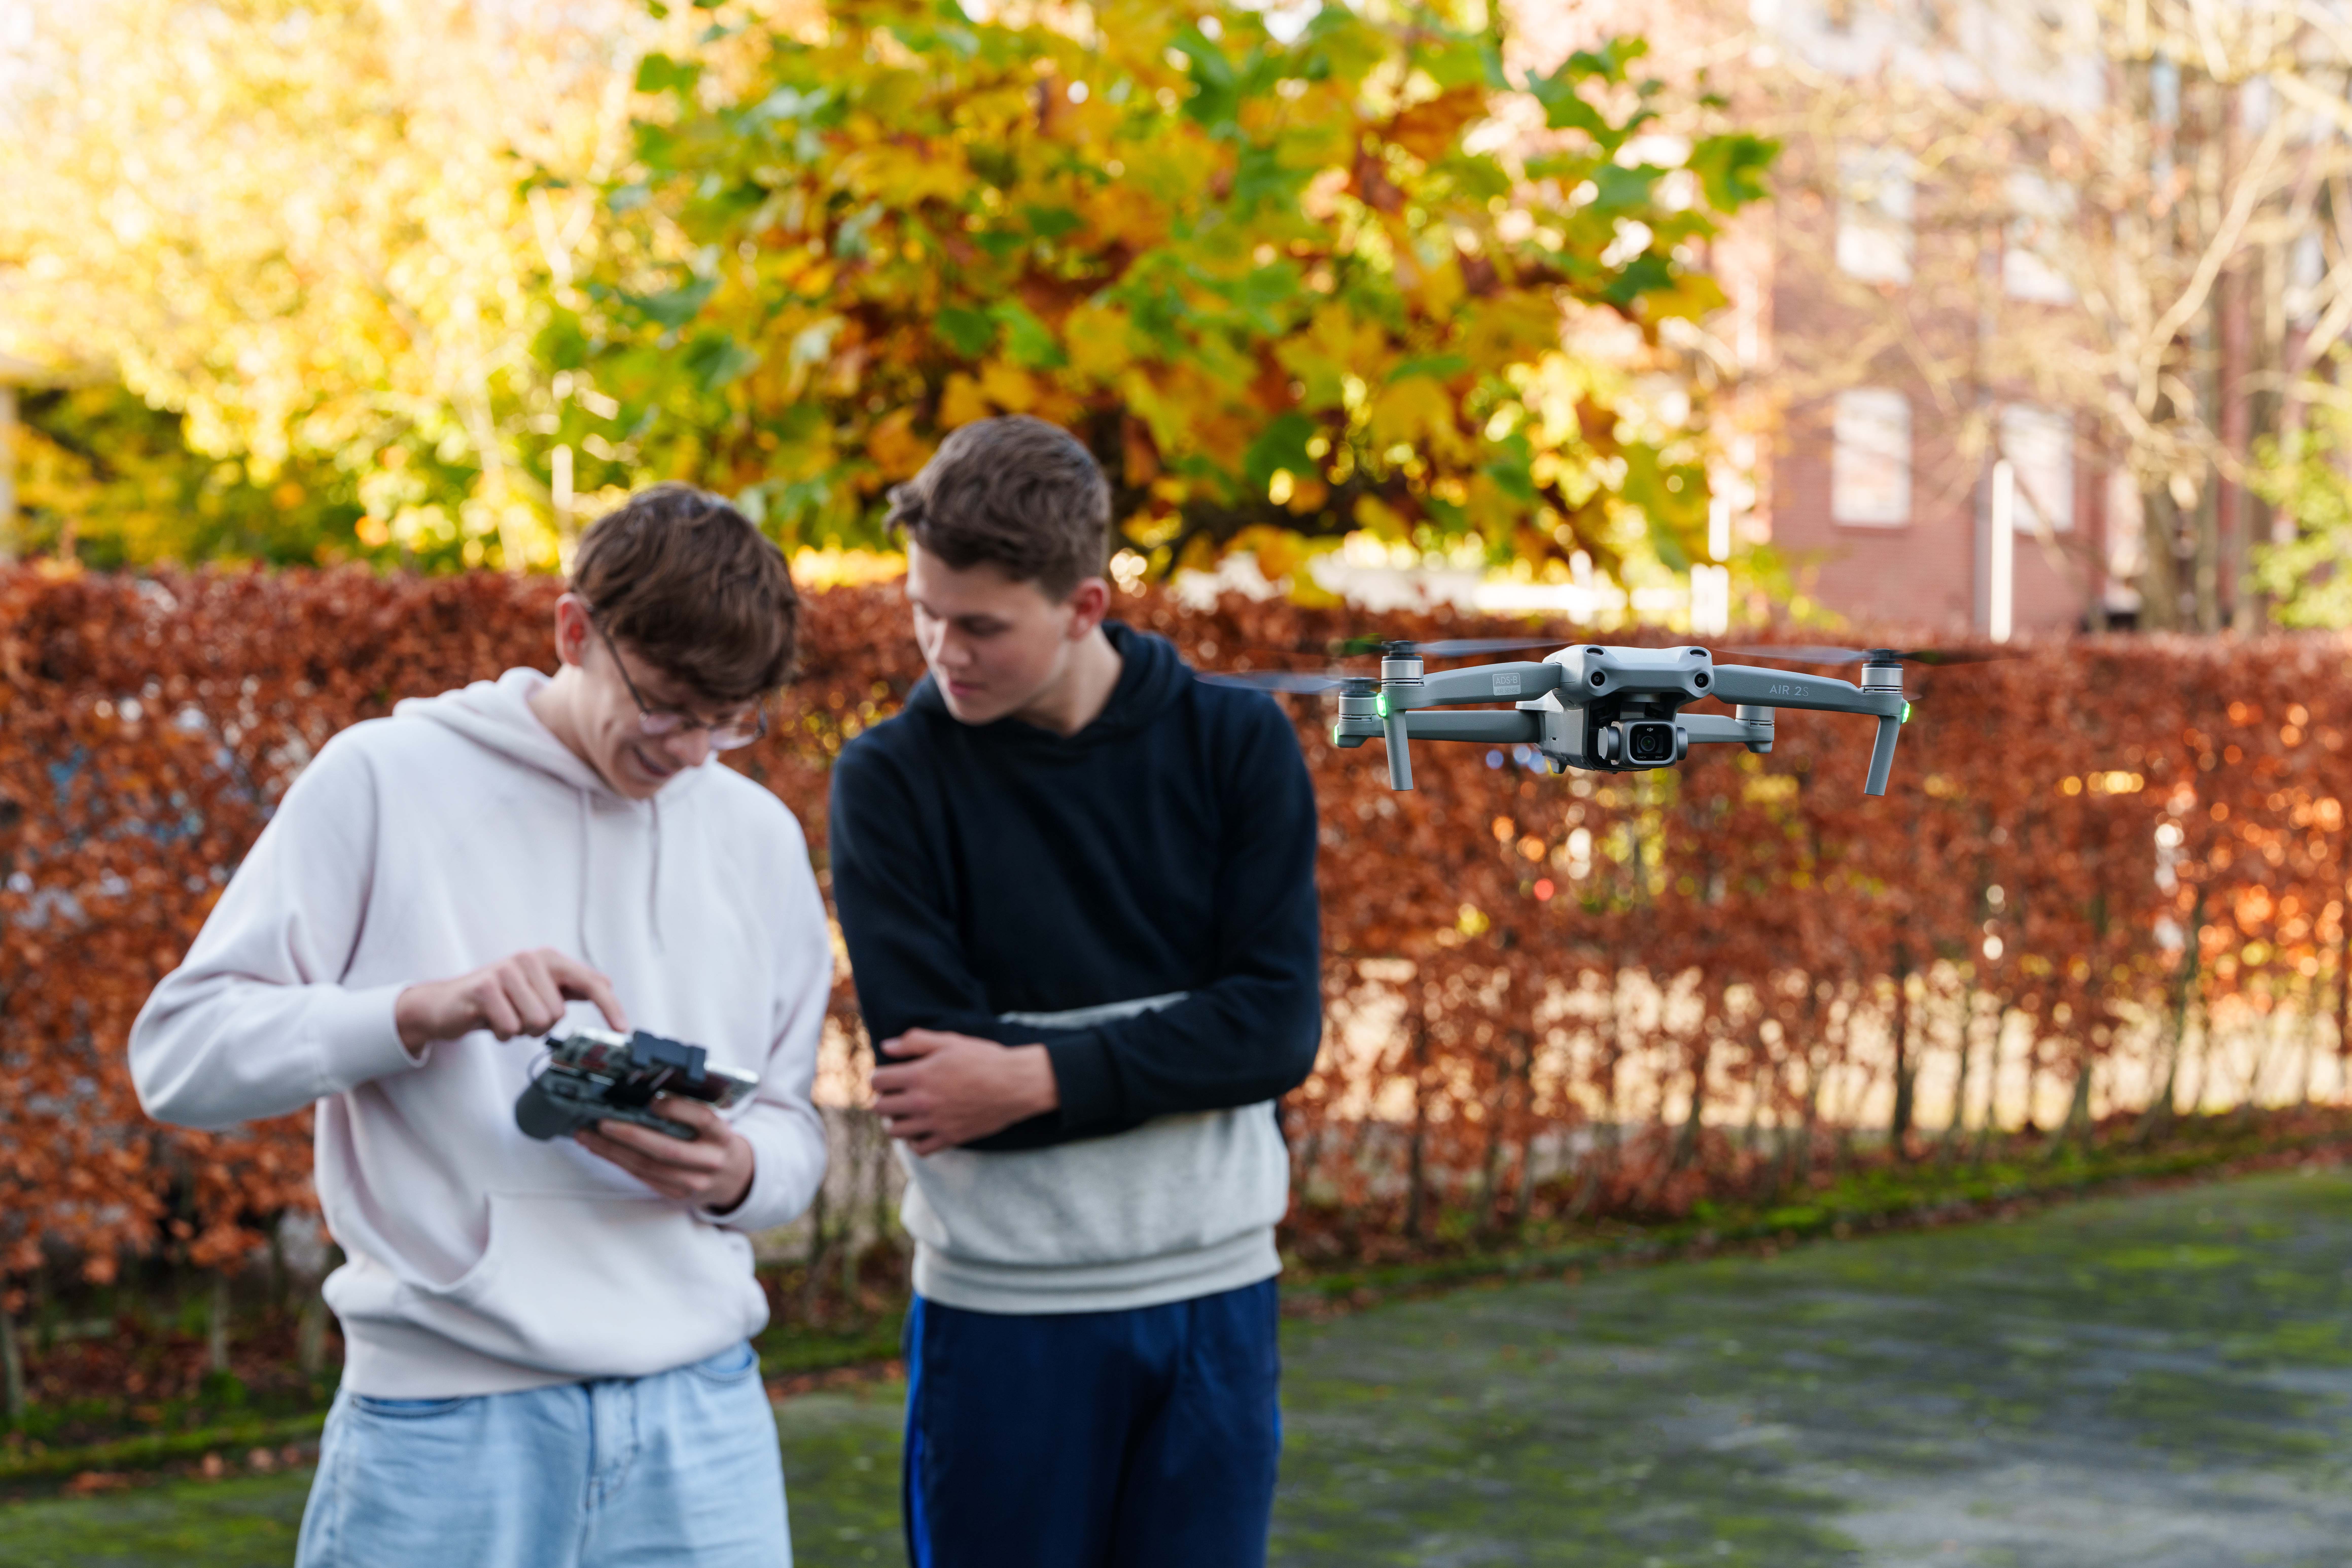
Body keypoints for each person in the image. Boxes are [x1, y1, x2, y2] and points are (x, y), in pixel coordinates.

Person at [129, 486, 833, 1568]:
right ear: (574, 631)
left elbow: (796, 1132)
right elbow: (179, 1058)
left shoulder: (758, 836)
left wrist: (736, 1172)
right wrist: (414, 1013)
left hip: (702, 1417)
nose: (693, 750)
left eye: (728, 720)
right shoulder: (384, 780)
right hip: (444, 1424)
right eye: (666, 705)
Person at [826, 416, 1324, 1568]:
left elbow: (1274, 1028)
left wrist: (1036, 1071)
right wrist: (1178, 1042)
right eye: (923, 612)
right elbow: (929, 1077)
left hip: (1215, 1306)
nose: (941, 651)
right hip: (999, 1317)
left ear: (1086, 605)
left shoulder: (1234, 745)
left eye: (980, 626)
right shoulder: (890, 780)